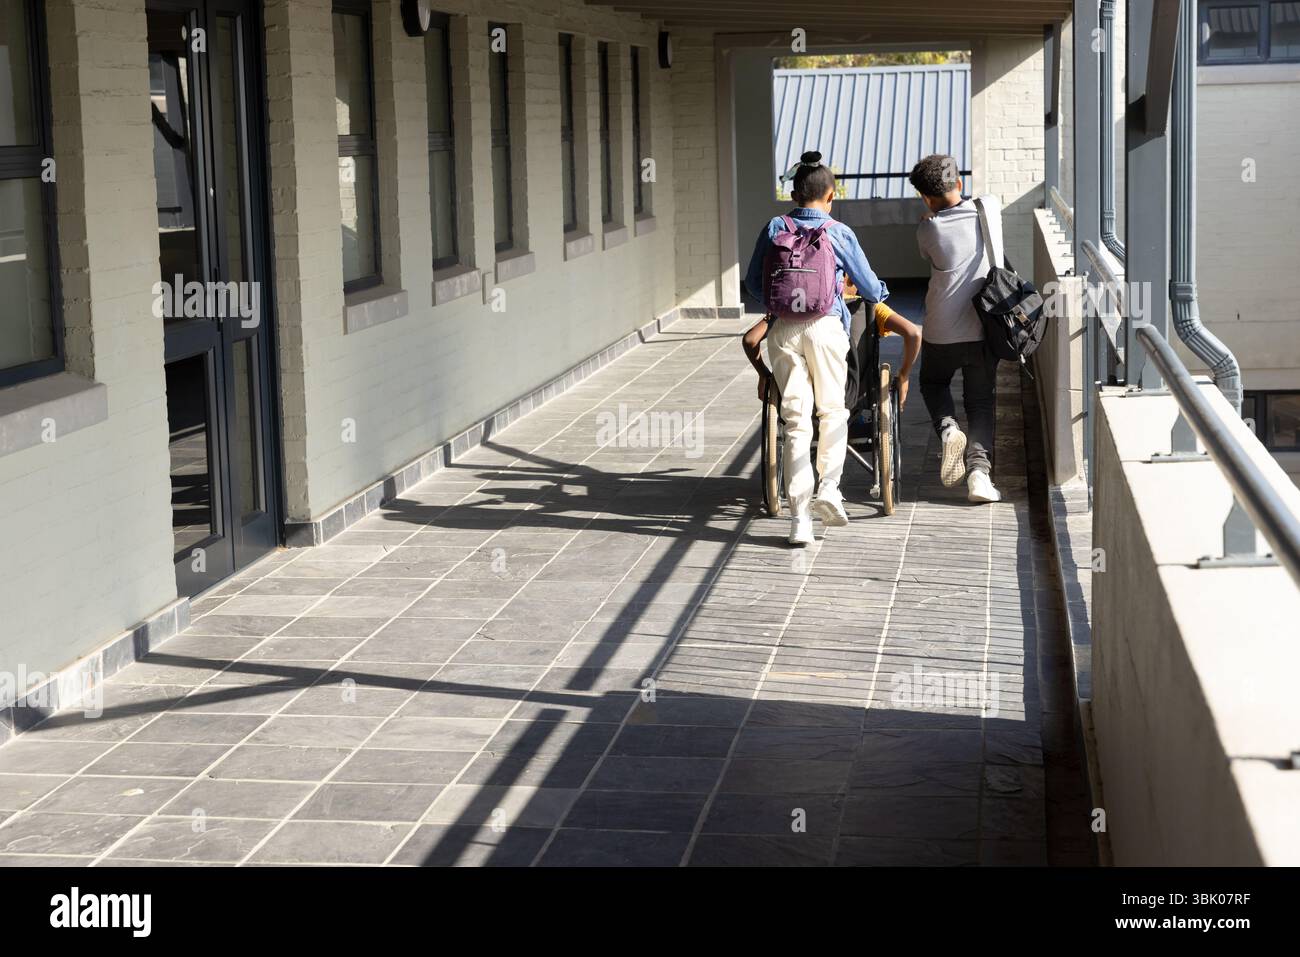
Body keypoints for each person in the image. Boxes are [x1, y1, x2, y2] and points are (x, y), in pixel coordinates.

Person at [743, 151, 891, 546]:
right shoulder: (838, 231)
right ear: (830, 195)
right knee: (833, 411)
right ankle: (829, 488)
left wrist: (779, 303)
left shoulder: (776, 226)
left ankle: (799, 521)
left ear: (793, 193)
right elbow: (872, 289)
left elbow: (753, 284)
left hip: (783, 333)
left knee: (796, 423)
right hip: (825, 328)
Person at [908, 153, 1003, 504]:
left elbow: (929, 256)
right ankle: (979, 474)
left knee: (933, 383)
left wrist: (930, 217)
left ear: (924, 197)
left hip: (940, 329)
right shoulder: (989, 208)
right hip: (984, 329)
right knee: (980, 401)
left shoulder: (927, 228)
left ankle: (948, 429)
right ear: (959, 183)